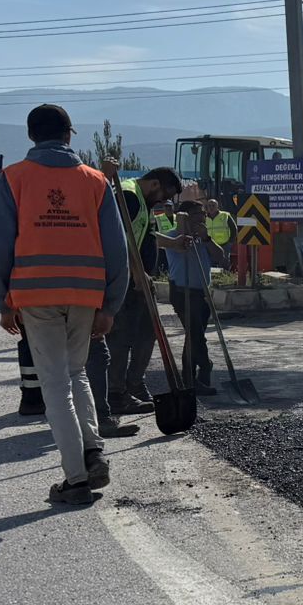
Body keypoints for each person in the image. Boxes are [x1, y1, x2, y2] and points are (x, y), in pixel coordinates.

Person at [0, 104, 129, 507]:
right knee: (77, 372)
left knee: (53, 384)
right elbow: (117, 250)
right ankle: (93, 450)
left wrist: (3, 302)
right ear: (69, 135)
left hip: (36, 295)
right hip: (85, 294)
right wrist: (110, 305)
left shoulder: (13, 178)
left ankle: (76, 479)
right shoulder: (95, 181)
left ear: (32, 136)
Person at [102, 163, 183, 417]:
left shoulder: (144, 203)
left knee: (147, 334)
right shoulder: (128, 196)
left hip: (141, 281)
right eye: (165, 196)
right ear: (155, 184)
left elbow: (147, 236)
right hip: (122, 281)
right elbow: (119, 239)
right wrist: (136, 272)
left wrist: (175, 243)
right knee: (120, 338)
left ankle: (134, 384)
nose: (164, 201)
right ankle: (115, 394)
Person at [160, 192, 224, 396]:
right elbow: (160, 243)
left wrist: (206, 238)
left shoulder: (203, 238)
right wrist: (182, 232)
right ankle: (202, 368)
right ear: (185, 216)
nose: (202, 217)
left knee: (194, 335)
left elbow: (220, 257)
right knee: (195, 334)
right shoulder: (174, 236)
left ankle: (192, 376)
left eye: (203, 214)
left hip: (202, 292)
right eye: (197, 214)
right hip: (182, 291)